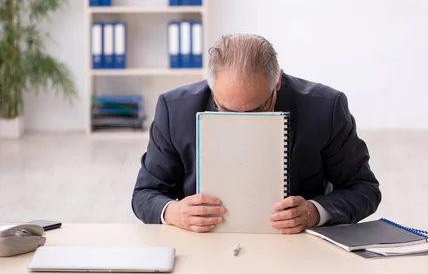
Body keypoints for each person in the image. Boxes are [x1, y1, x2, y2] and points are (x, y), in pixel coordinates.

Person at [131, 34, 381, 234]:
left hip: (297, 247)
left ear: (278, 81)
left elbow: (364, 189)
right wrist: (174, 212)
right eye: (226, 109)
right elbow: (145, 194)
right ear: (211, 86)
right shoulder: (174, 109)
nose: (241, 121)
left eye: (257, 109)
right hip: (205, 244)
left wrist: (314, 212)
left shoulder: (326, 108)